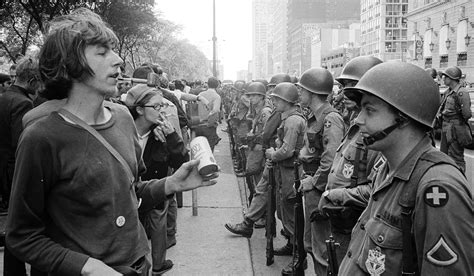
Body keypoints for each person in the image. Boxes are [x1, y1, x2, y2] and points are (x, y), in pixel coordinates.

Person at [5, 8, 217, 276]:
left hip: (140, 266)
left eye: (113, 51)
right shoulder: (42, 138)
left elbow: (130, 192)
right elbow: (22, 235)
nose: (118, 60)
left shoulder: (122, 117)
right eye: (102, 52)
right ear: (69, 65)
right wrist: (85, 266)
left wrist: (170, 184)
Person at [327, 62, 472, 275]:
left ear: (403, 118)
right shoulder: (387, 168)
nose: (359, 119)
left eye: (370, 110)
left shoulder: (437, 187)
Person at [317, 56, 383, 267]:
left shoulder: (377, 132)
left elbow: (378, 190)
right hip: (343, 220)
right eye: (344, 85)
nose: (346, 91)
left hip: (358, 222)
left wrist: (337, 195)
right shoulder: (355, 125)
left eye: (353, 85)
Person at [125, 84, 189, 275]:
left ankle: (158, 265)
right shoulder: (121, 130)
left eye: (162, 106)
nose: (162, 110)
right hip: (128, 192)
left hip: (155, 190)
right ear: (139, 109)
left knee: (158, 224)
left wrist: (171, 137)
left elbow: (181, 161)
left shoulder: (161, 133)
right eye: (156, 106)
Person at [224, 74, 292, 238]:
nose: (271, 93)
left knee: (283, 202)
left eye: (273, 89)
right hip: (270, 155)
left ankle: (289, 237)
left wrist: (264, 147)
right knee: (263, 190)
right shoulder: (275, 111)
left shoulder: (275, 112)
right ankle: (252, 222)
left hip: (276, 157)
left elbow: (271, 135)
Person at [295, 67, 345, 275]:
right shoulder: (315, 116)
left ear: (313, 92)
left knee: (322, 248)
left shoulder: (330, 118)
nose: (299, 93)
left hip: (320, 187)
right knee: (311, 242)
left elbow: (331, 158)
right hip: (311, 182)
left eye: (302, 89)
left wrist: (314, 183)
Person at [0, 56, 45, 276]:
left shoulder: (4, 97)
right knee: (22, 225)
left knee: (14, 223)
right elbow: (23, 144)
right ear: (34, 80)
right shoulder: (23, 103)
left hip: (3, 169)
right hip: (13, 170)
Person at [266, 82, 306, 272]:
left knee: (291, 211)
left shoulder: (292, 121)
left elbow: (287, 150)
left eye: (277, 99)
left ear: (287, 101)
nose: (273, 101)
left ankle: (299, 255)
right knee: (284, 210)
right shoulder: (288, 118)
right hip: (286, 169)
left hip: (292, 170)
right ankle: (292, 245)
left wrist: (273, 154)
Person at [438, 66, 472, 172]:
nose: (444, 79)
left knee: (456, 158)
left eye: (446, 77)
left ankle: (459, 183)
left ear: (452, 78)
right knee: (444, 156)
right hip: (446, 127)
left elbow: (466, 114)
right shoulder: (448, 92)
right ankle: (448, 182)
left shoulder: (461, 93)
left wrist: (456, 122)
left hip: (455, 129)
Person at [195, 76, 222, 152]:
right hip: (209, 127)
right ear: (217, 85)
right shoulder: (216, 97)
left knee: (200, 151)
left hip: (198, 125)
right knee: (209, 151)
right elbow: (215, 111)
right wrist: (210, 124)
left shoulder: (201, 94)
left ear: (208, 84)